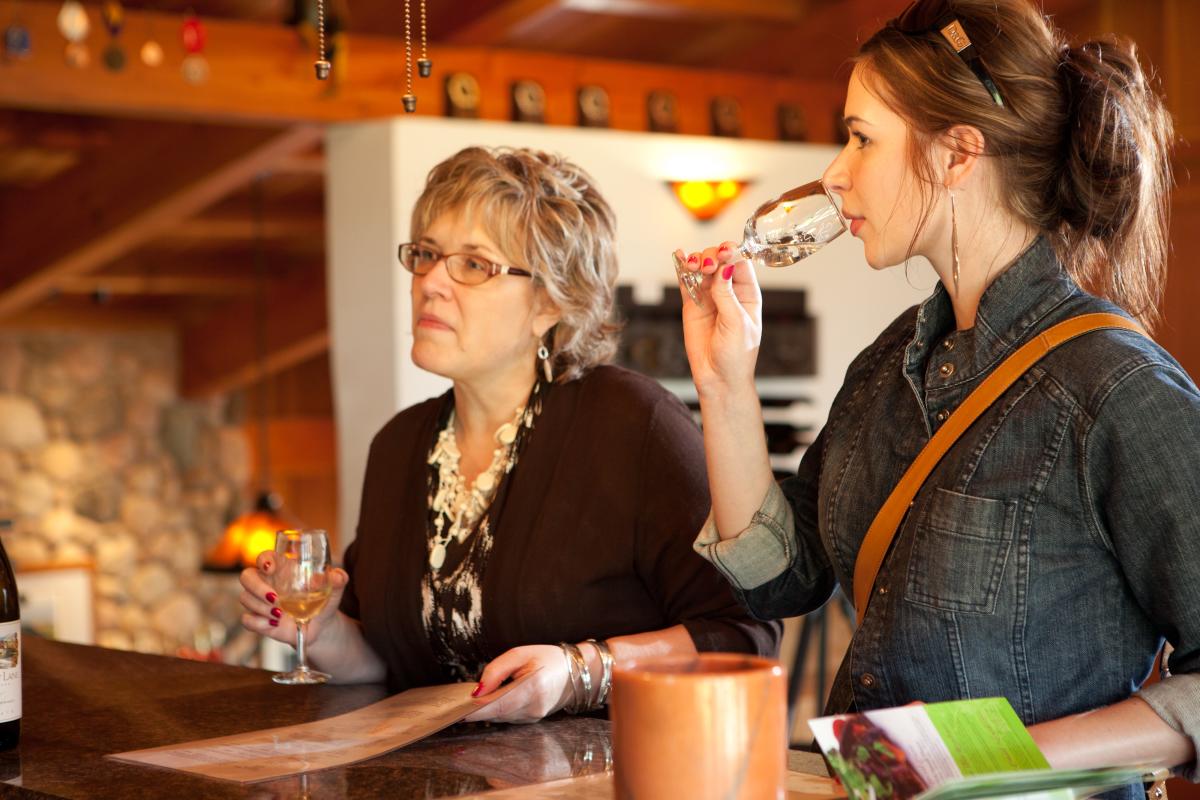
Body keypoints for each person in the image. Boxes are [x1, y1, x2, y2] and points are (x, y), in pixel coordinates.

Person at [677, 0, 1197, 785]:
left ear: (958, 154)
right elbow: (783, 578)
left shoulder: (1114, 387)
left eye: (860, 137)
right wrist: (724, 383)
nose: (834, 173)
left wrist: (974, 763)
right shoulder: (888, 365)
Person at [241, 146, 780, 723]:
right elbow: (391, 658)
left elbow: (743, 633)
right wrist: (322, 632)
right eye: (425, 255)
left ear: (550, 301)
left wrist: (581, 670)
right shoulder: (398, 446)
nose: (431, 282)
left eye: (473, 264)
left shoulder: (631, 424)